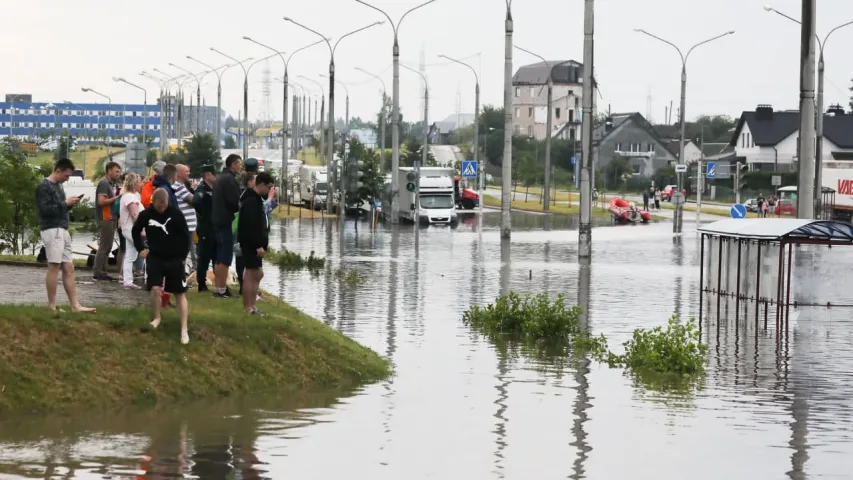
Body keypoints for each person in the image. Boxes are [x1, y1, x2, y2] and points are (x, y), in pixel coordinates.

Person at [131, 188, 191, 344]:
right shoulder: (146, 214)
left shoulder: (176, 214)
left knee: (179, 293)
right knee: (155, 288)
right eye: (159, 205)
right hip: (155, 257)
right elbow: (135, 230)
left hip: (175, 258)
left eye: (164, 205)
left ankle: (184, 328)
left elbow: (186, 236)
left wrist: (183, 256)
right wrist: (140, 248)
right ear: (154, 201)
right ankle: (157, 317)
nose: (162, 208)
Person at [35, 158, 96, 313]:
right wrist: (66, 204)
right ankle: (52, 305)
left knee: (69, 267)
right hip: (51, 230)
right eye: (66, 175)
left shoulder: (59, 187)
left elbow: (60, 208)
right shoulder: (44, 186)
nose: (67, 179)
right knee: (54, 266)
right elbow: (44, 211)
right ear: (58, 170)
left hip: (63, 229)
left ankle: (75, 305)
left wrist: (70, 204)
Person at [238, 172, 274, 315]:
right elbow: (250, 225)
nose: (270, 190)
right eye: (269, 187)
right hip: (251, 244)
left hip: (253, 243)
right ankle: (249, 307)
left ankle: (252, 306)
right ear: (261, 185)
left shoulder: (255, 199)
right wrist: (258, 245)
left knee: (256, 274)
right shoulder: (252, 201)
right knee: (252, 274)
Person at [212, 154, 243, 298]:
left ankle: (218, 288)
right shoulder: (229, 180)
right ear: (233, 164)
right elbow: (234, 202)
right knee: (225, 258)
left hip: (217, 221)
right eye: (239, 164)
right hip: (225, 222)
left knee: (219, 258)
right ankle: (222, 290)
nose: (241, 166)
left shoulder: (220, 178)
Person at [93, 161, 122, 281]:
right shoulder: (104, 183)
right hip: (106, 218)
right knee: (104, 247)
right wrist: (117, 197)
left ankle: (103, 271)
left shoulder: (109, 184)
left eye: (119, 172)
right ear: (109, 170)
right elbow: (101, 202)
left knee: (108, 246)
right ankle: (99, 272)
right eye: (116, 171)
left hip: (110, 218)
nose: (118, 174)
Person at [192, 164, 217, 292]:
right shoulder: (202, 189)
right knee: (204, 257)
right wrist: (203, 214)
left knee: (217, 257)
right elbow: (196, 202)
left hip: (215, 228)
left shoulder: (214, 188)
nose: (216, 177)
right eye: (214, 174)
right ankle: (202, 284)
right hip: (205, 228)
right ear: (208, 175)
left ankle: (220, 284)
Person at [172, 164, 198, 273]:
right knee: (193, 251)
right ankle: (195, 272)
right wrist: (196, 192)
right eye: (186, 171)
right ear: (178, 173)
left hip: (191, 224)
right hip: (188, 225)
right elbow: (194, 201)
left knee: (191, 250)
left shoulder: (181, 186)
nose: (188, 173)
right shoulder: (177, 186)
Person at [119, 173, 143, 289]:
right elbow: (134, 214)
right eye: (139, 181)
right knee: (146, 250)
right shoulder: (130, 197)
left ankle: (127, 281)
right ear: (134, 183)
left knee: (130, 255)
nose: (141, 184)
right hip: (132, 229)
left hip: (128, 229)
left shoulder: (129, 195)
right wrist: (141, 229)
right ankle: (150, 278)